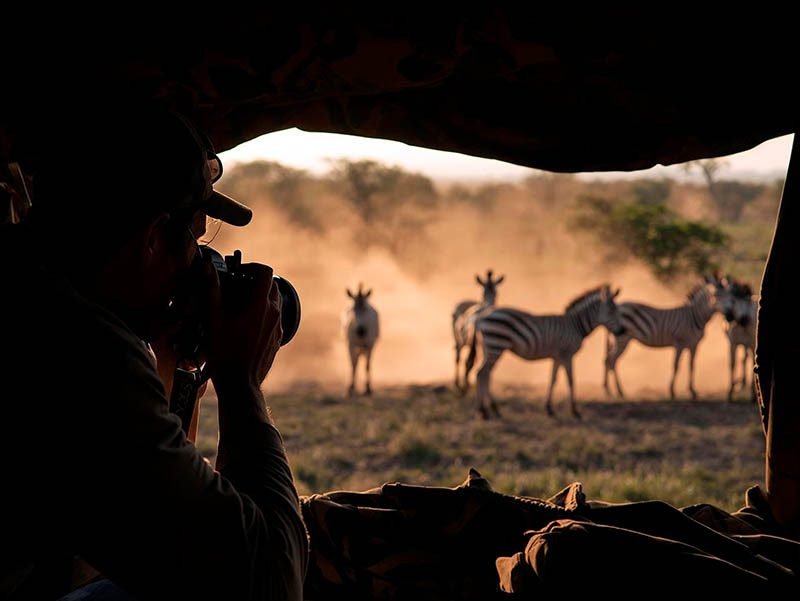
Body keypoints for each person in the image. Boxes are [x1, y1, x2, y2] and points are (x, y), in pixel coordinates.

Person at [0, 105, 308, 600]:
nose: (198, 265)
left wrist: (171, 360)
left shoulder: (34, 288)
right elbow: (268, 580)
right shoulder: (87, 357)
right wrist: (239, 381)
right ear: (150, 239)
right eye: (194, 239)